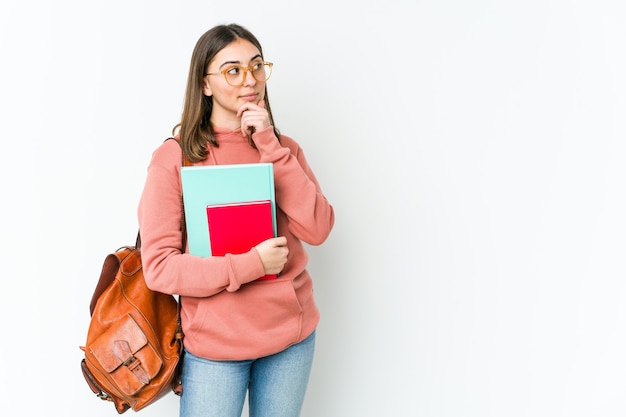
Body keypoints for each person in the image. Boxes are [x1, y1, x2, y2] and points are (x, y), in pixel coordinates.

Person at [137, 23, 335, 417]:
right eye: (233, 70)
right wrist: (253, 265)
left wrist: (269, 146)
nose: (251, 80)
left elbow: (318, 228)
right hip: (215, 348)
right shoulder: (175, 159)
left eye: (257, 66)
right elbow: (159, 268)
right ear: (205, 84)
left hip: (290, 342)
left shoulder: (283, 148)